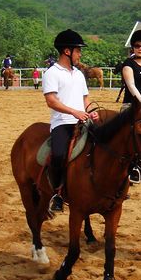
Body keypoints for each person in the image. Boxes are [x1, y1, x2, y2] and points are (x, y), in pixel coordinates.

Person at [43, 29, 99, 212]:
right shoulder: (52, 73)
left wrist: (91, 112)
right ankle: (57, 194)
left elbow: (85, 100)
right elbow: (51, 101)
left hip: (83, 120)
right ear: (67, 51)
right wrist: (74, 112)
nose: (80, 54)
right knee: (59, 155)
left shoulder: (79, 74)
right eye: (78, 50)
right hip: (63, 122)